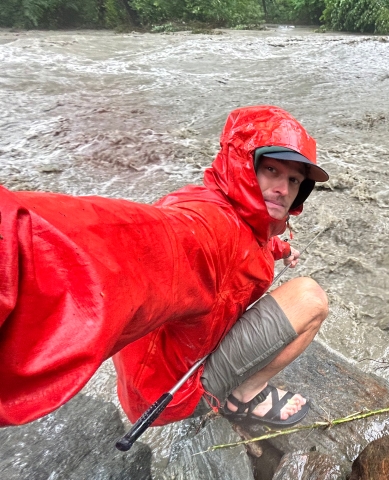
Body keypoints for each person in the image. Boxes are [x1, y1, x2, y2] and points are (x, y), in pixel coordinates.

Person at [0, 105, 329, 428]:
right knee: (310, 298)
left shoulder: (223, 203)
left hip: (154, 376)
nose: (284, 190)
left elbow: (248, 241)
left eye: (295, 180)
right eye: (271, 170)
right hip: (171, 396)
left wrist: (279, 247)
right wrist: (14, 240)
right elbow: (125, 242)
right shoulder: (204, 228)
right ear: (243, 164)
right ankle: (243, 396)